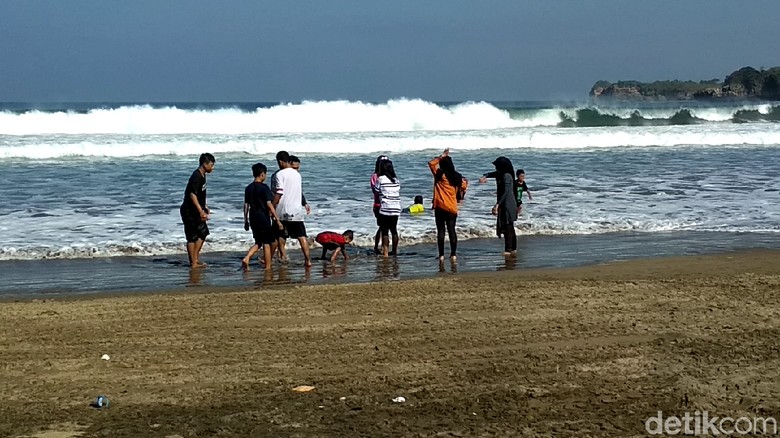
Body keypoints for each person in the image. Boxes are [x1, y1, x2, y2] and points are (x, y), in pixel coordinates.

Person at [272, 152, 313, 267]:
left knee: (280, 235)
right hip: (296, 210)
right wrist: (304, 203)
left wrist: (272, 206)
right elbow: (297, 192)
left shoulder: (279, 174)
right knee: (301, 236)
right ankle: (308, 260)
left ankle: (281, 257)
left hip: (282, 210)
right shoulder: (297, 175)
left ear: (280, 161)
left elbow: (278, 192)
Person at [242, 163, 284, 271]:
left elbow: (246, 205)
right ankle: (268, 267)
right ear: (262, 174)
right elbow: (269, 204)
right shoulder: (264, 188)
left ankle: (247, 258)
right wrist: (277, 219)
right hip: (263, 218)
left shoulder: (248, 188)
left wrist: (245, 220)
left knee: (258, 242)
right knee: (266, 243)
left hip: (253, 217)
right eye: (265, 174)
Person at [428, 148, 468, 260]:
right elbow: (465, 185)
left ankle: (441, 255)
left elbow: (431, 164)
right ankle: (453, 254)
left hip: (440, 207)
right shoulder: (457, 177)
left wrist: (441, 157)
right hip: (452, 208)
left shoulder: (440, 175)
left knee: (441, 231)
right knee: (452, 230)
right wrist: (461, 195)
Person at [180, 153, 215, 268]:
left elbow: (200, 194)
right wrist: (201, 211)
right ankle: (193, 262)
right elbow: (192, 195)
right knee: (192, 236)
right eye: (211, 165)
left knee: (203, 233)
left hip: (196, 209)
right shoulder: (196, 176)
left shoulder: (203, 175)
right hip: (189, 210)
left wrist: (205, 207)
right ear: (205, 164)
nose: (212, 167)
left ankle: (195, 259)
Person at [487, 156, 518, 255]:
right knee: (510, 226)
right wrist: (485, 176)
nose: (496, 168)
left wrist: (497, 204)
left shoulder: (506, 176)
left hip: (508, 204)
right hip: (507, 203)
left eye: (497, 166)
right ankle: (513, 248)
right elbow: (494, 174)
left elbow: (506, 191)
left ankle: (508, 249)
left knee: (507, 227)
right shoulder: (503, 174)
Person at [372, 159, 401, 257]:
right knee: (394, 230)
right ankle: (395, 251)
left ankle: (385, 253)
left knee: (385, 231)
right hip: (396, 208)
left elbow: (376, 190)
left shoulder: (380, 179)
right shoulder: (396, 180)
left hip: (385, 208)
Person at [370, 155, 390, 253]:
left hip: (387, 204)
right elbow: (376, 190)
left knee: (384, 227)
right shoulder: (375, 176)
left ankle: (381, 246)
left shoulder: (388, 176)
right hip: (379, 205)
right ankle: (379, 246)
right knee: (382, 227)